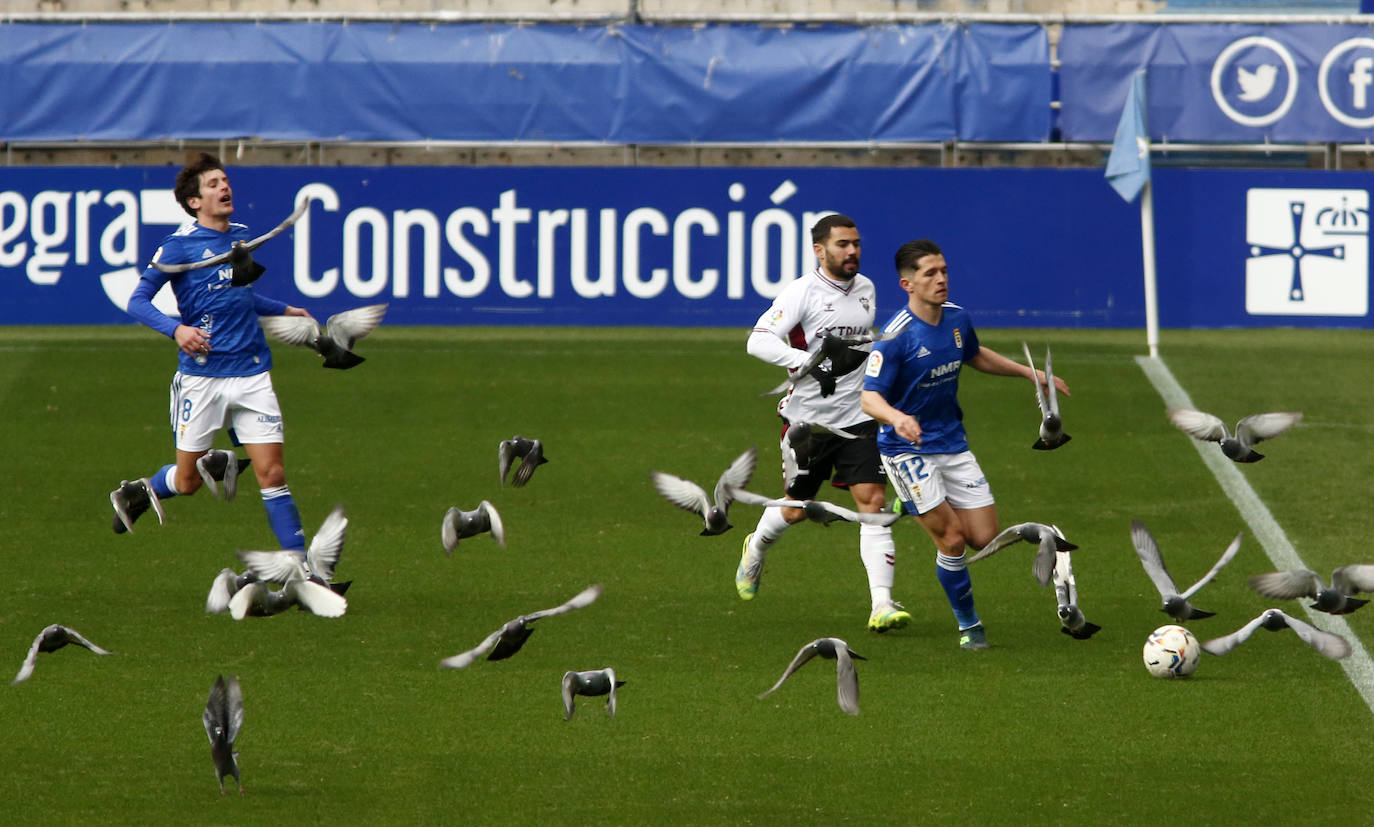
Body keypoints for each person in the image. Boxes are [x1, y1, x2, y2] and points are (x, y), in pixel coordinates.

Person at [860, 238, 1070, 650]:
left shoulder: (957, 319)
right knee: (952, 540)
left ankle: (914, 502)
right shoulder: (894, 337)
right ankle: (969, 625)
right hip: (906, 450)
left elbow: (974, 354)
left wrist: (1031, 375)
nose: (941, 279)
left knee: (983, 537)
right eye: (930, 274)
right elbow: (869, 398)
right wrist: (899, 417)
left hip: (952, 444)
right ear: (908, 284)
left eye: (944, 271)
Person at [108, 152, 312, 552]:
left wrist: (284, 309)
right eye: (214, 183)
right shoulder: (178, 248)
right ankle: (141, 491)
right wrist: (177, 330)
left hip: (252, 372)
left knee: (272, 475)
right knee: (187, 483)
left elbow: (237, 297)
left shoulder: (240, 235)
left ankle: (303, 569)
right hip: (203, 377)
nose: (225, 187)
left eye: (225, 180)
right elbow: (138, 301)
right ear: (194, 201)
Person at [736, 214, 912, 633]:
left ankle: (882, 605)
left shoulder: (867, 288)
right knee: (795, 510)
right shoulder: (802, 292)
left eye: (856, 243)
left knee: (872, 504)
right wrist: (806, 362)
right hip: (808, 424)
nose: (852, 251)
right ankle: (756, 546)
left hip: (857, 418)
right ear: (820, 250)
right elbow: (757, 339)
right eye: (842, 244)